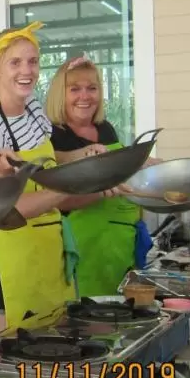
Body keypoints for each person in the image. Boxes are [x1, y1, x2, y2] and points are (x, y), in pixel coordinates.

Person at [0, 23, 114, 332]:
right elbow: (8, 207)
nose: (27, 70)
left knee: (57, 348)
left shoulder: (33, 107)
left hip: (48, 244)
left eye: (32, 61)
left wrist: (85, 156)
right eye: (15, 62)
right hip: (11, 255)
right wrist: (73, 187)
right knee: (17, 355)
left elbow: (48, 158)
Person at [45, 55, 156, 296]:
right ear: (59, 94)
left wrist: (160, 169)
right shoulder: (52, 136)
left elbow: (123, 167)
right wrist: (103, 189)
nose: (85, 96)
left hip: (120, 246)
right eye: (74, 89)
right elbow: (57, 200)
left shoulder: (105, 129)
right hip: (80, 249)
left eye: (92, 88)